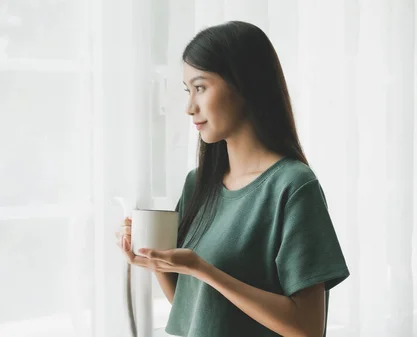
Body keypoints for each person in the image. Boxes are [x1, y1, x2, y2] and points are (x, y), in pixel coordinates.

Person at [116, 21, 349, 337]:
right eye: (188, 91)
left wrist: (204, 269)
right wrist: (155, 259)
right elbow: (196, 310)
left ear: (245, 84)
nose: (189, 107)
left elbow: (307, 329)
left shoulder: (293, 187)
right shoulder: (197, 184)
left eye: (200, 88)